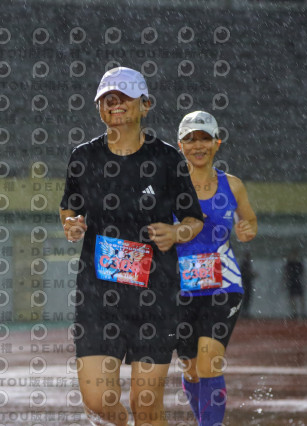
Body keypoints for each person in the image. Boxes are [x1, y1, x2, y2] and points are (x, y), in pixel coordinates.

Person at [59, 67, 204, 426]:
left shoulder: (167, 159)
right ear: (99, 107)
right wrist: (72, 223)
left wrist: (177, 233)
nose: (115, 103)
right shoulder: (83, 157)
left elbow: (193, 219)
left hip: (155, 295)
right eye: (107, 98)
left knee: (146, 405)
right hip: (98, 295)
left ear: (145, 104)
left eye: (124, 96)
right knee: (97, 401)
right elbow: (70, 207)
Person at [174, 111, 257, 425]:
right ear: (180, 145)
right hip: (179, 289)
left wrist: (247, 229)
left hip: (223, 285)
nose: (198, 145)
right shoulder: (167, 187)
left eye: (205, 138)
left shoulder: (232, 186)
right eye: (190, 139)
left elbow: (249, 220)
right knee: (192, 369)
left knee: (209, 363)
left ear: (216, 143)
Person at [283, 247, 306, 319]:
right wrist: (285, 281)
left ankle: (302, 313)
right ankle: (295, 313)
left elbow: (303, 274)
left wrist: (305, 282)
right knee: (292, 298)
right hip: (292, 281)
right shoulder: (289, 264)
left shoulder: (299, 264)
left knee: (300, 298)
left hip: (297, 281)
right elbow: (286, 274)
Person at [239, 250, 257, 317]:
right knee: (246, 298)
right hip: (246, 283)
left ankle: (244, 312)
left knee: (246, 298)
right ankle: (244, 312)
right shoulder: (245, 263)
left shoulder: (245, 263)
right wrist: (251, 275)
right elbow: (245, 273)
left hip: (246, 283)